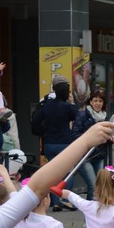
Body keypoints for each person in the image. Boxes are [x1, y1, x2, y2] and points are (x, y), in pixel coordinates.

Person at [39, 75, 78, 211]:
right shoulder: (67, 107)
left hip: (49, 143)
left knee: (53, 173)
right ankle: (65, 199)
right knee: (70, 171)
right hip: (64, 143)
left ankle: (55, 202)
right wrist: (72, 103)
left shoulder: (46, 106)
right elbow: (75, 117)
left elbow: (39, 123)